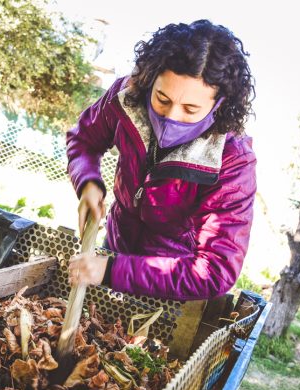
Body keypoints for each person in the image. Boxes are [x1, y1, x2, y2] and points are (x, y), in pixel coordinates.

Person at [66, 20, 256, 301]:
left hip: (170, 283)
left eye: (191, 109)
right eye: (162, 99)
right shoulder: (126, 98)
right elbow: (85, 139)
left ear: (220, 106)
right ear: (150, 79)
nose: (172, 116)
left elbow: (214, 271)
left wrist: (111, 271)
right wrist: (88, 183)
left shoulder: (233, 162)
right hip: (114, 246)